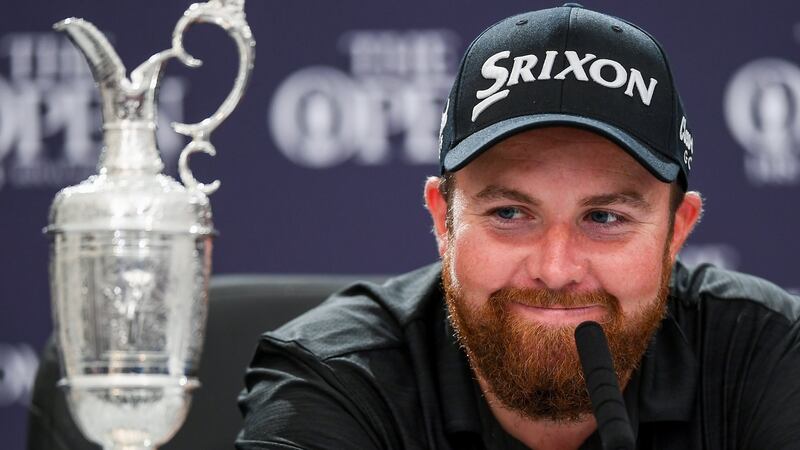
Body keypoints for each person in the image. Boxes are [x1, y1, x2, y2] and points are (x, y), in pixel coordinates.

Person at [237, 4, 800, 449]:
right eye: (510, 214)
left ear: (677, 231)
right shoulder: (337, 379)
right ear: (444, 220)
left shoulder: (769, 354)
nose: (556, 270)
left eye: (604, 218)